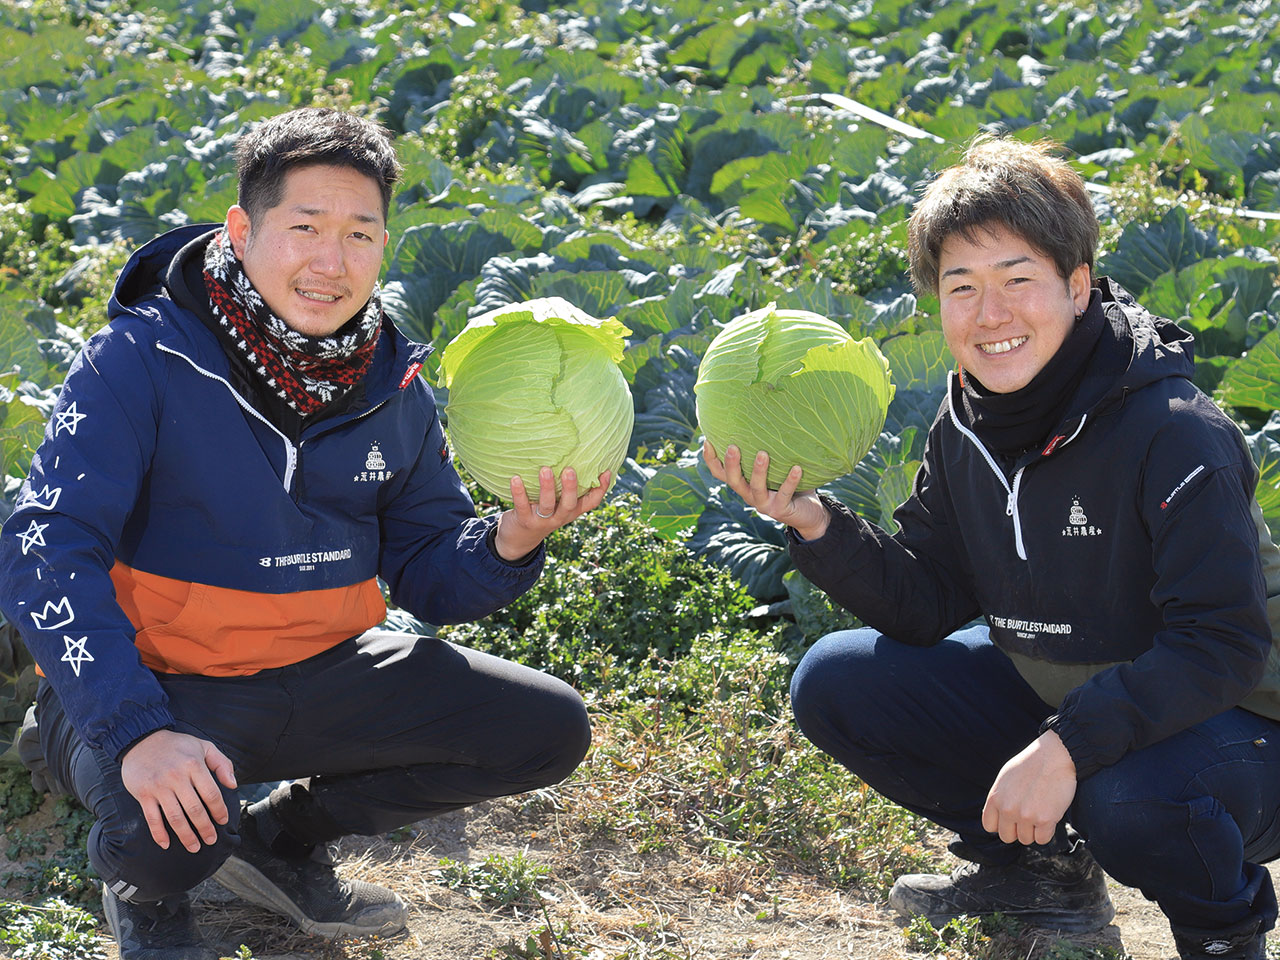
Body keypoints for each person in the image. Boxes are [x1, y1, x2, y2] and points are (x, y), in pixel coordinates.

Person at [0, 107, 608, 960]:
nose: (332, 262)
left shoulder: (393, 383)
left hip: (322, 672)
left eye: (361, 234)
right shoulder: (138, 361)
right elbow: (43, 547)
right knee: (169, 832)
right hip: (166, 683)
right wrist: (134, 730)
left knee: (545, 729)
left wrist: (509, 537)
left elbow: (431, 574)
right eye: (305, 228)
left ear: (384, 246)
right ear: (244, 230)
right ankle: (140, 879)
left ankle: (276, 839)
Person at [704, 136, 1280, 960]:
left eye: (1018, 281)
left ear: (1077, 288)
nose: (991, 315)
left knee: (1131, 794)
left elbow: (1220, 647)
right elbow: (930, 599)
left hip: (1244, 723)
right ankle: (1042, 882)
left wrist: (1067, 745)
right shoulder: (965, 423)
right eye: (962, 287)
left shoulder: (1176, 433)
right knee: (840, 679)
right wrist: (814, 524)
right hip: (1081, 687)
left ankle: (1224, 937)